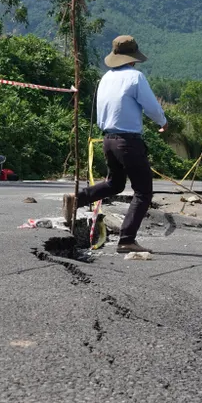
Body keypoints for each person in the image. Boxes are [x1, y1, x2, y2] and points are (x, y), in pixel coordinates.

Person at [64, 35, 167, 254]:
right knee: (143, 191)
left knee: (115, 183)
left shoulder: (106, 78)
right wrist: (163, 122)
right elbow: (151, 107)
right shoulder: (135, 77)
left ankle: (77, 198)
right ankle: (127, 239)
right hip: (128, 141)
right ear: (133, 58)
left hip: (108, 140)